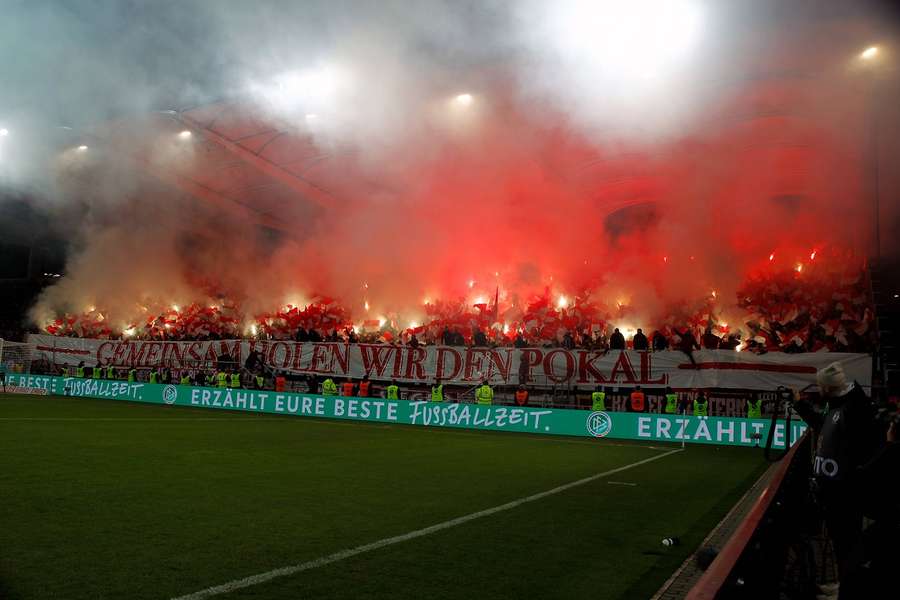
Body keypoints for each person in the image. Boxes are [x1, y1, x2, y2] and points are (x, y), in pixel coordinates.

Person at [792, 363, 884, 599]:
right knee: (840, 545)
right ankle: (843, 584)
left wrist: (854, 482)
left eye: (821, 386)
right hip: (833, 492)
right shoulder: (838, 407)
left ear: (828, 387)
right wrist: (798, 403)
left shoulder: (855, 409)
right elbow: (823, 427)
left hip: (845, 494)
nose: (818, 390)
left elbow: (869, 451)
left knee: (848, 545)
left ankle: (847, 591)